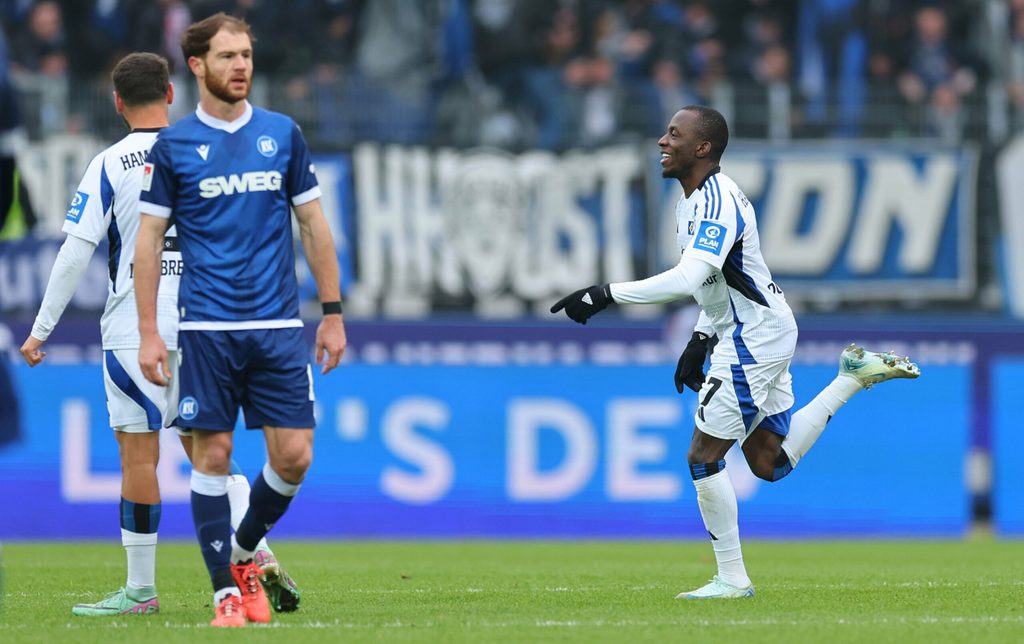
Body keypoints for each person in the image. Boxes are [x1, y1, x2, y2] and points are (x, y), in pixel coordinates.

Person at [550, 105, 920, 599]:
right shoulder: (692, 199)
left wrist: (604, 294)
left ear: (702, 148)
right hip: (755, 329)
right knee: (770, 463)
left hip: (754, 337)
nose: (663, 141)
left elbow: (688, 277)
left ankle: (732, 579)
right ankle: (850, 378)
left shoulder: (717, 202)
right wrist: (701, 338)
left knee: (704, 456)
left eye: (674, 134)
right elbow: (715, 281)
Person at [18, 52, 297, 617]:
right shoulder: (210, 153)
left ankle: (141, 591)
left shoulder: (109, 163)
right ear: (171, 94)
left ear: (117, 102)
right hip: (206, 323)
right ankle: (257, 553)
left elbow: (76, 251)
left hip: (132, 327)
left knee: (138, 457)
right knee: (208, 452)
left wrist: (40, 329)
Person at [135, 13, 346, 628]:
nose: (241, 66)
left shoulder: (282, 134)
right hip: (206, 329)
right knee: (213, 454)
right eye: (227, 56)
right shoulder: (173, 146)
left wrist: (332, 314)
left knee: (294, 458)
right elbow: (149, 242)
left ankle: (244, 551)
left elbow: (313, 225)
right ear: (196, 66)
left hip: (280, 327)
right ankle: (224, 594)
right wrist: (150, 330)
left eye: (247, 54)